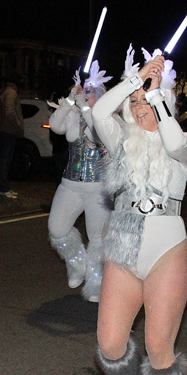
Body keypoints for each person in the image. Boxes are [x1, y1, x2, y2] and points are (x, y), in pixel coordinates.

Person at [91, 47, 187, 375]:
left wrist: (154, 93)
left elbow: (173, 142)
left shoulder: (184, 140)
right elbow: (101, 113)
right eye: (134, 103)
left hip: (166, 246)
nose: (139, 108)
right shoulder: (120, 139)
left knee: (158, 347)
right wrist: (133, 82)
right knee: (110, 346)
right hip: (123, 241)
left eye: (146, 101)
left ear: (164, 100)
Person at [47, 63, 112, 301]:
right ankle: (76, 263)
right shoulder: (74, 114)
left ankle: (96, 282)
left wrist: (84, 106)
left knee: (97, 238)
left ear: (102, 95)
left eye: (92, 90)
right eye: (85, 88)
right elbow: (54, 125)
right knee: (57, 229)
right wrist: (68, 102)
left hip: (99, 189)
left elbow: (97, 134)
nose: (86, 92)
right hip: (70, 184)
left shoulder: (107, 118)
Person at [0, 80, 24, 198]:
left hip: (6, 129)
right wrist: (18, 125)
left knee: (5, 159)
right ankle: (3, 187)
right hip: (8, 130)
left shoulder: (7, 92)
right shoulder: (11, 93)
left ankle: (5, 186)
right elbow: (10, 111)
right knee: (5, 159)